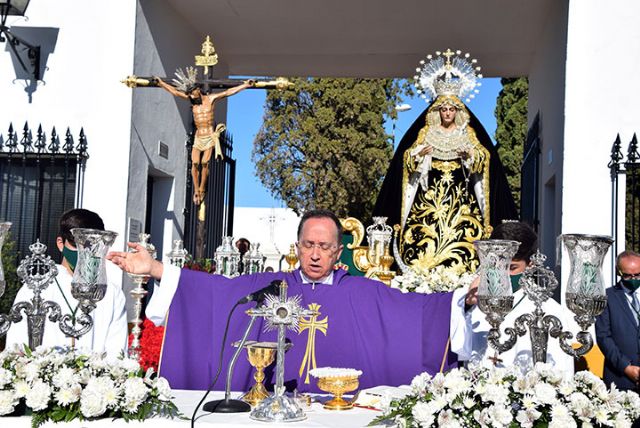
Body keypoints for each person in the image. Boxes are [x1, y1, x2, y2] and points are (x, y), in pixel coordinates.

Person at [108, 209, 475, 393]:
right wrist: (154, 267)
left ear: (339, 251)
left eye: (325, 247)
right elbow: (216, 293)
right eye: (309, 245)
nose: (315, 255)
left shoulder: (363, 292)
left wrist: (461, 301)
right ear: (297, 246)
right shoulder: (269, 287)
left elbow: (417, 312)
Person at [373, 51, 516, 275]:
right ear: (437, 111)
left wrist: (469, 155)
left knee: (465, 240)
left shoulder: (468, 132)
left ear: (457, 111)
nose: (447, 113)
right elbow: (407, 160)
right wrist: (419, 155)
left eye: (451, 109)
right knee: (422, 243)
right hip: (428, 201)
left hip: (462, 203)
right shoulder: (424, 132)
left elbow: (485, 160)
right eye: (443, 109)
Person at [6, 209, 128, 356]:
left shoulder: (111, 293)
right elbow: (16, 346)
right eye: (77, 245)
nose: (84, 252)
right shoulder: (36, 286)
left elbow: (117, 353)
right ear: (60, 243)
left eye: (92, 246)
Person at [466, 221, 575, 373]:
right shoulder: (476, 301)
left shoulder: (549, 310)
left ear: (530, 264)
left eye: (511, 268)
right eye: (497, 265)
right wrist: (465, 307)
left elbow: (560, 370)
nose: (502, 273)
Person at [156, 75, 254, 205]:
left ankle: (202, 188)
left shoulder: (211, 99)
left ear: (198, 89)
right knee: (195, 162)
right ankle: (196, 189)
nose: (191, 95)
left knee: (204, 163)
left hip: (209, 136)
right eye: (189, 94)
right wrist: (161, 83)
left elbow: (227, 92)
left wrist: (245, 85)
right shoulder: (191, 101)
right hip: (198, 137)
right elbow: (175, 92)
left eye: (192, 92)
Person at [596, 250, 640, 392]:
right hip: (620, 379)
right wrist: (626, 367)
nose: (633, 279)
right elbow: (603, 337)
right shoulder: (606, 297)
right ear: (618, 272)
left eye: (638, 274)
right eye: (627, 275)